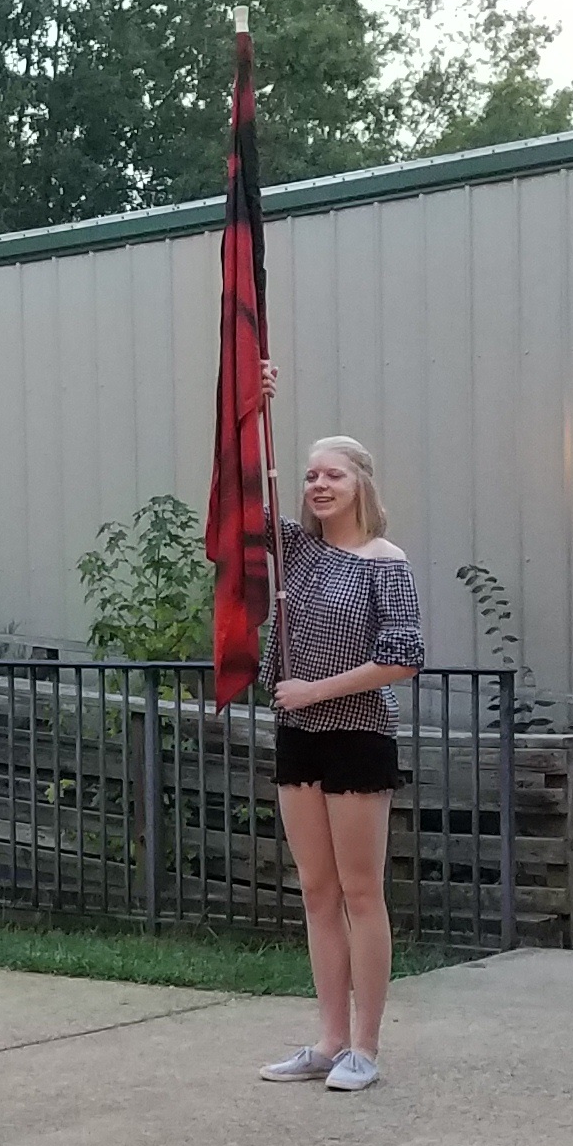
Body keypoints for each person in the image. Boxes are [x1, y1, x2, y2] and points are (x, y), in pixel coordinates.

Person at [249, 376, 428, 1095]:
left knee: (360, 894)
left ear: (361, 483)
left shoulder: (387, 561)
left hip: (356, 736)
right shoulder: (293, 550)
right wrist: (253, 404)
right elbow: (240, 498)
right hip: (298, 739)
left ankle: (366, 1045)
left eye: (334, 473)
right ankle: (326, 1039)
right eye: (311, 474)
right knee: (316, 892)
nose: (319, 484)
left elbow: (404, 657)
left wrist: (315, 690)